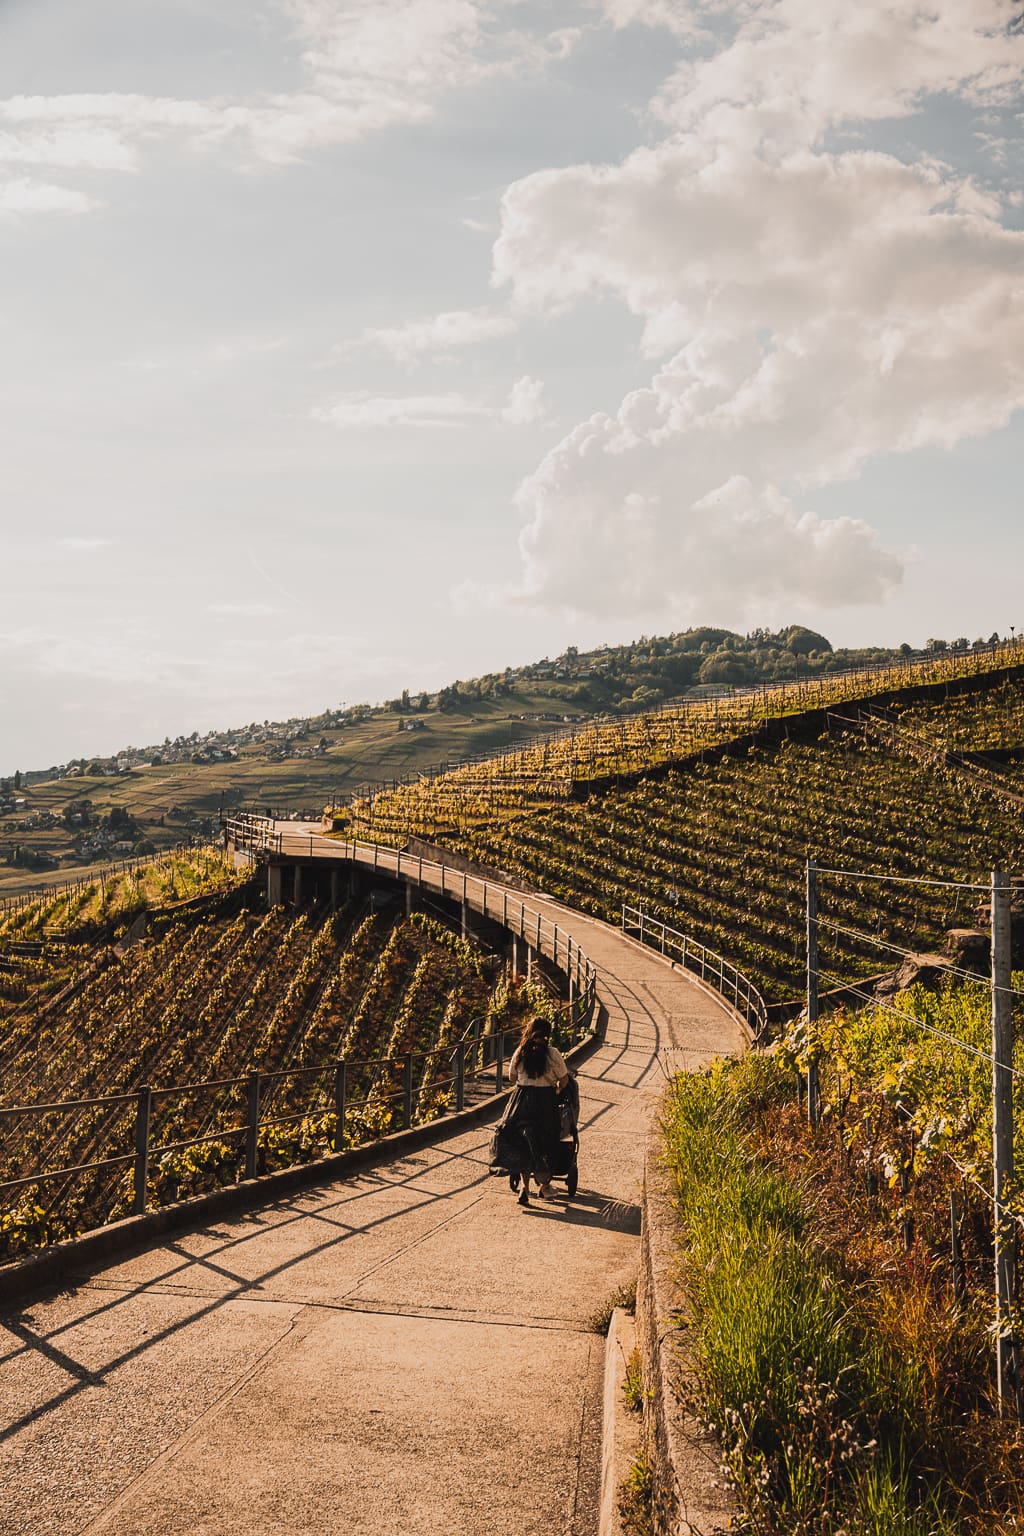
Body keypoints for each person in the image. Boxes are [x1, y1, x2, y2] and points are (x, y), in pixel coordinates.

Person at [504, 1016, 569, 1206]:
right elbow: (564, 1080)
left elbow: (511, 1078)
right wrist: (555, 1088)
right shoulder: (553, 1053)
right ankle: (545, 1185)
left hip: (522, 1100)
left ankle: (524, 1188)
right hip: (545, 1101)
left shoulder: (520, 1052)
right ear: (548, 1034)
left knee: (525, 1142)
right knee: (547, 1141)